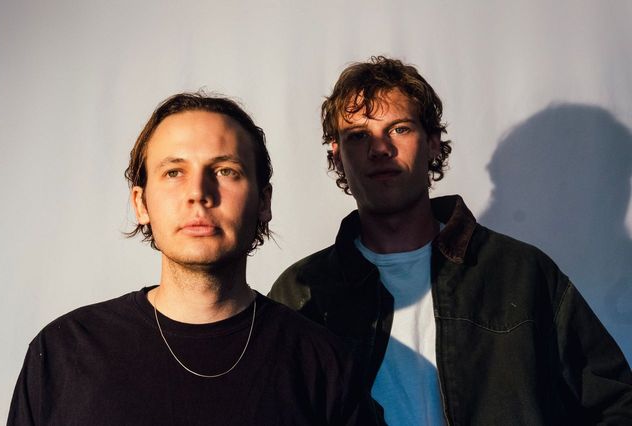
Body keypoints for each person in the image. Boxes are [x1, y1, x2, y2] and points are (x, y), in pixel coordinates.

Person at [269, 56, 632, 425]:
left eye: (399, 129)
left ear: (432, 143)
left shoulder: (521, 273)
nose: (379, 149)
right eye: (359, 135)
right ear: (337, 154)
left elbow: (616, 403)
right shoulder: (301, 292)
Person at [8, 92, 378, 425]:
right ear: (141, 203)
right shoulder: (65, 351)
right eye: (174, 172)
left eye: (225, 171)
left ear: (263, 202)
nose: (199, 193)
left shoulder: (323, 363)